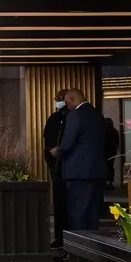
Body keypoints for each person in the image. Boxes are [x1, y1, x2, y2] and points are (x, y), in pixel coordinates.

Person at [50, 89, 106, 232]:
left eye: (67, 102)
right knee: (93, 214)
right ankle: (92, 249)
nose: (66, 106)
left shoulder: (75, 115)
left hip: (78, 173)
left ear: (72, 98)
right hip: (97, 172)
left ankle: (78, 252)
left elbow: (68, 143)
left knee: (77, 213)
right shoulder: (97, 114)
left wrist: (57, 151)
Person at [42, 90, 69, 250]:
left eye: (60, 99)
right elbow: (47, 139)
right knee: (59, 204)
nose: (58, 102)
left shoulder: (71, 117)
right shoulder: (54, 118)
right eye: (56, 99)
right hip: (56, 166)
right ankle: (60, 237)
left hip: (69, 167)